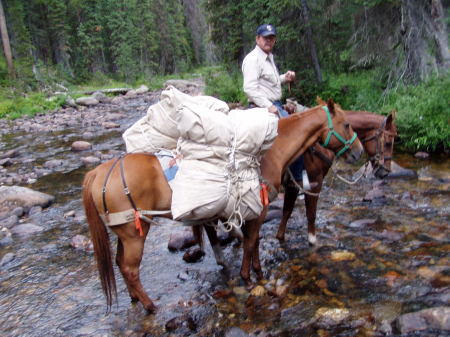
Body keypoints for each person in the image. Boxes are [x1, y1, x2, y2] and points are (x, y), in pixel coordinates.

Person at [241, 23, 312, 190]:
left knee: (304, 122)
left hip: (275, 104)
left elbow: (268, 81)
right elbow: (249, 88)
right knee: (297, 134)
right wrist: (268, 106)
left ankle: (294, 175)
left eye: (272, 38)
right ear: (257, 39)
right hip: (261, 107)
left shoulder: (268, 57)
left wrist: (284, 78)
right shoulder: (252, 59)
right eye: (266, 38)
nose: (269, 41)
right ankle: (297, 181)